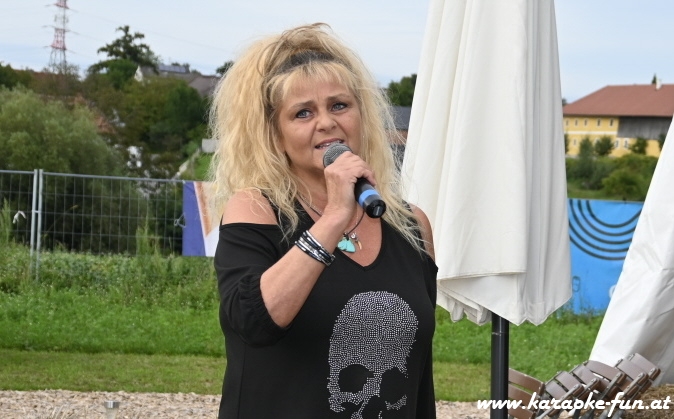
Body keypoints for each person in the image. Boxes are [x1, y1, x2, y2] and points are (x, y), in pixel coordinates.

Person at [208, 23, 438, 419]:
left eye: (339, 105)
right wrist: (334, 216)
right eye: (303, 113)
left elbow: (418, 375)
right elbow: (253, 322)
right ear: (275, 135)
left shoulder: (412, 225)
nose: (326, 122)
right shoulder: (256, 209)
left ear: (362, 116)